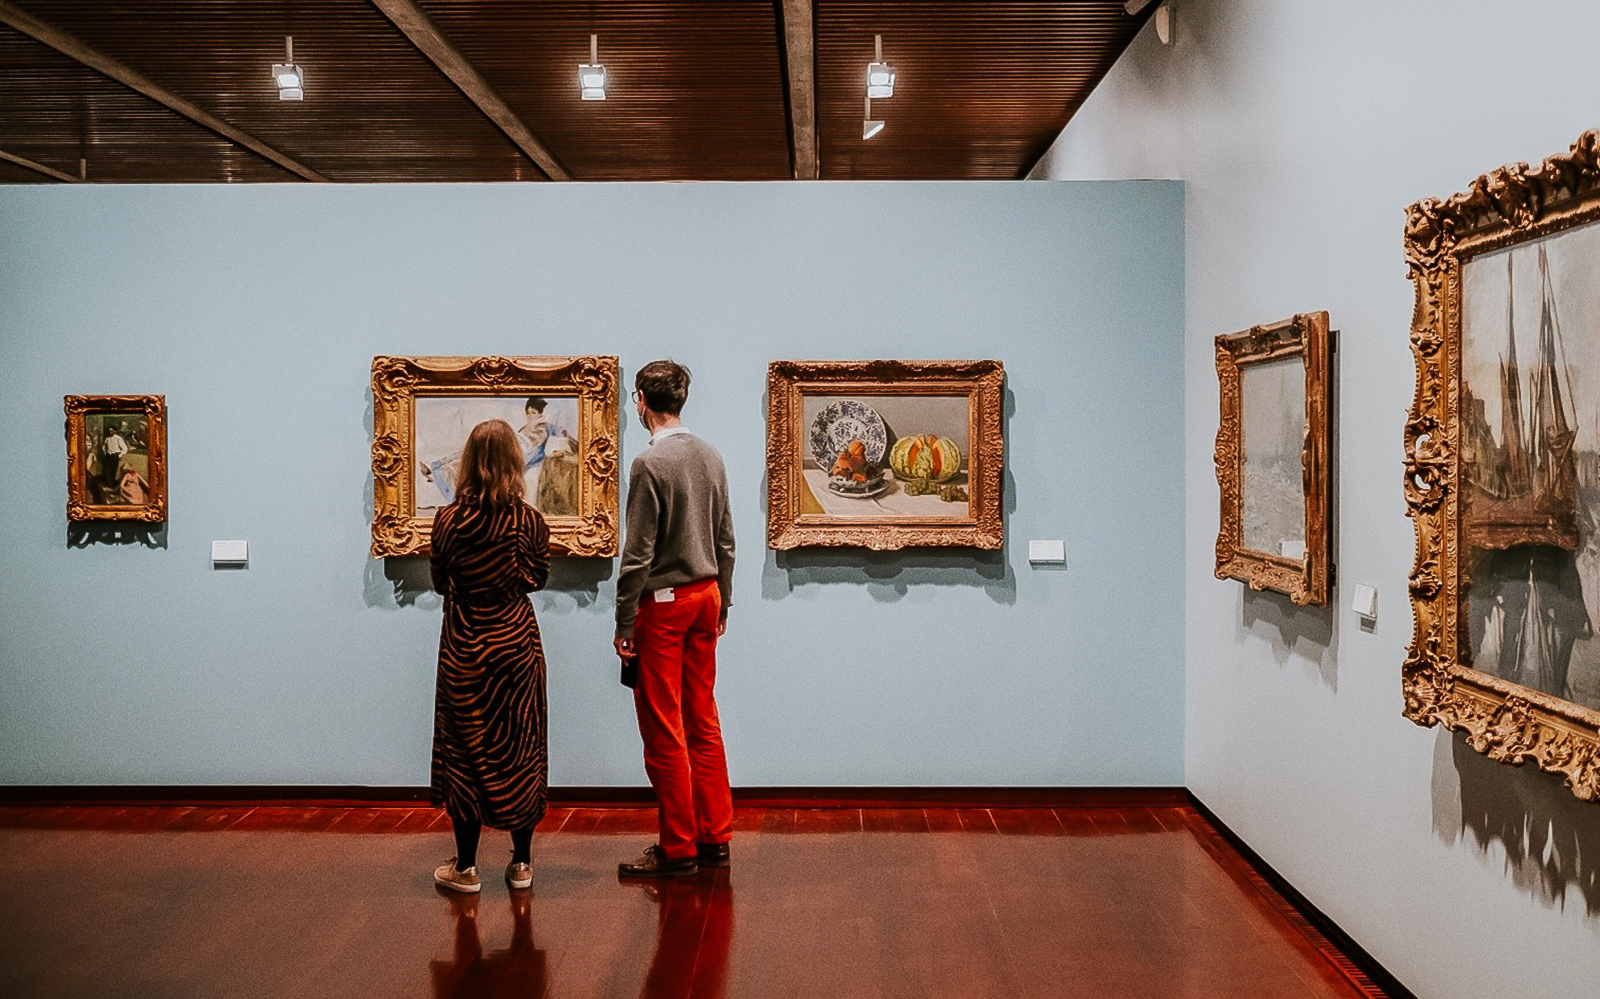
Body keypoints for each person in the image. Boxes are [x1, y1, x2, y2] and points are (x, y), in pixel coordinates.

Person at [613, 360, 736, 877]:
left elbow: (637, 555)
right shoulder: (710, 455)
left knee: (664, 728)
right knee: (702, 719)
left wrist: (623, 623)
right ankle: (715, 836)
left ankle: (678, 847)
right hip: (706, 595)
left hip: (663, 605)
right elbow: (726, 539)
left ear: (641, 399)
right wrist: (724, 599)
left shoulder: (649, 465)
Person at [429, 419, 553, 894]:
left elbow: (440, 581)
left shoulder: (449, 520)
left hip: (464, 645)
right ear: (514, 462)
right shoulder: (528, 520)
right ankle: (521, 864)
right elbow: (535, 579)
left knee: (465, 754)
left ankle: (465, 868)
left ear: (469, 462)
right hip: (517, 647)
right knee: (522, 747)